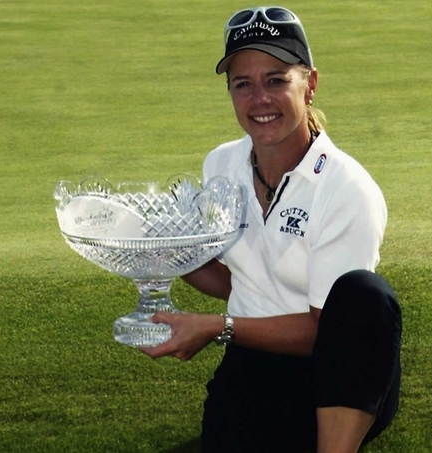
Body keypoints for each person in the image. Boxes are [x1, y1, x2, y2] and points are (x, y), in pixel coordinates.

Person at [141, 6, 402, 453]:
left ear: (310, 85)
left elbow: (330, 331)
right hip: (251, 363)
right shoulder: (221, 164)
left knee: (365, 295)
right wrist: (165, 254)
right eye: (243, 84)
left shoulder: (346, 188)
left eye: (276, 80)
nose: (259, 99)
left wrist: (216, 326)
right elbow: (241, 282)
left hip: (336, 372)